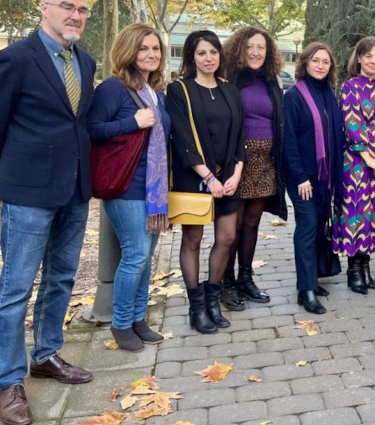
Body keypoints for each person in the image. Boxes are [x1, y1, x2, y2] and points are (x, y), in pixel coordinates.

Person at [0, 0, 95, 425]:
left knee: (61, 278)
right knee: (15, 290)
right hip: (27, 194)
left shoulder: (86, 62)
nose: (76, 15)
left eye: (82, 10)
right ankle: (8, 381)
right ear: (45, 9)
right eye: (67, 7)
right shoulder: (17, 58)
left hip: (75, 190)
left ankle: (47, 354)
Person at [87, 24, 171, 351]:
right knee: (135, 255)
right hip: (125, 187)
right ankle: (121, 323)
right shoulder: (113, 88)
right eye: (143, 48)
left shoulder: (155, 91)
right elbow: (92, 130)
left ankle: (138, 318)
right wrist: (132, 122)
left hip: (154, 188)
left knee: (146, 258)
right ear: (128, 51)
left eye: (155, 48)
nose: (151, 54)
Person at [166, 30, 246, 334]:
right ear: (191, 57)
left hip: (228, 178)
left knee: (226, 238)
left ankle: (213, 299)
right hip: (195, 175)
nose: (209, 58)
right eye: (202, 53)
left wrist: (236, 173)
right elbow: (183, 138)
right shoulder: (179, 90)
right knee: (193, 240)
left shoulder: (230, 90)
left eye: (213, 52)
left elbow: (240, 134)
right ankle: (196, 307)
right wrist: (209, 177)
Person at [220, 27, 288, 311]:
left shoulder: (272, 82)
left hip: (265, 162)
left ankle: (246, 278)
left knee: (251, 224)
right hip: (237, 160)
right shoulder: (229, 79)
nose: (256, 52)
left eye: (261, 47)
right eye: (250, 46)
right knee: (231, 228)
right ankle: (225, 282)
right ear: (239, 49)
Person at [334, 36, 375, 294]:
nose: (373, 60)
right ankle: (353, 271)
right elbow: (351, 123)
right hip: (356, 160)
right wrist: (368, 157)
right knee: (357, 212)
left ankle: (366, 267)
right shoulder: (350, 87)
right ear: (359, 58)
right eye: (368, 55)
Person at [283, 42, 344, 314]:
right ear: (305, 62)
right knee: (307, 227)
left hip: (324, 178)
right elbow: (289, 141)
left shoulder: (330, 95)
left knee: (319, 225)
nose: (320, 65)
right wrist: (299, 178)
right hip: (304, 178)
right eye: (315, 60)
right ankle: (305, 289)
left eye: (325, 62)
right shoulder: (294, 96)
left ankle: (312, 280)